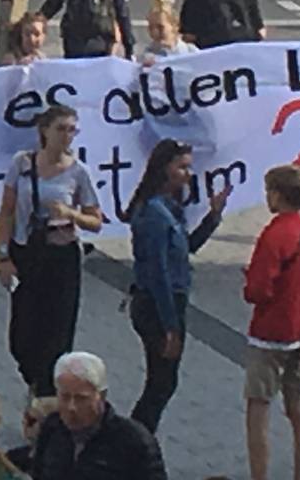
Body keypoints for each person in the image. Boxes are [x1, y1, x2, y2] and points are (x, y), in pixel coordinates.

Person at [0, 103, 101, 397]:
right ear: (44, 131)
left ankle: (46, 398)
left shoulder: (79, 171)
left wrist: (72, 214)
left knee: (57, 335)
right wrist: (3, 255)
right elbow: (6, 212)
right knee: (22, 336)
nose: (67, 136)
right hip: (27, 253)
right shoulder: (23, 163)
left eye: (72, 130)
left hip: (61, 258)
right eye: (61, 129)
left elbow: (95, 221)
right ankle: (35, 380)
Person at [125, 139, 224, 432]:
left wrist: (214, 215)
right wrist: (171, 326)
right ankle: (135, 440)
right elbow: (158, 273)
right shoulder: (154, 213)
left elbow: (187, 247)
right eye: (182, 167)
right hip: (157, 303)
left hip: (166, 299)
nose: (188, 174)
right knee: (162, 382)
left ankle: (137, 439)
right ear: (164, 169)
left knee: (163, 381)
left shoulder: (169, 208)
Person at [30, 352, 167, 480]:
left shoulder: (135, 442)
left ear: (101, 396)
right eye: (65, 397)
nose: (71, 407)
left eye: (81, 399)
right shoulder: (52, 428)